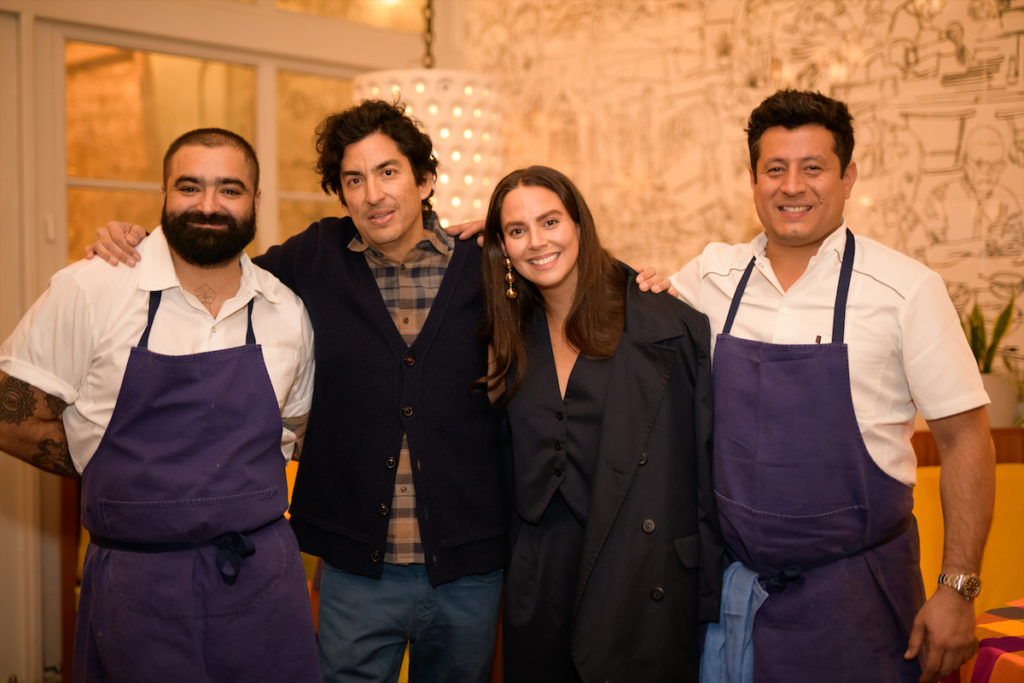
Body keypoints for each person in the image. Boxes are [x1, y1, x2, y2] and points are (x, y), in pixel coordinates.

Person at [86, 100, 509, 683]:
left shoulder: (490, 268)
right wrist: (139, 237)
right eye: (353, 180)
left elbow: (572, 281)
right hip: (353, 569)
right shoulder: (314, 257)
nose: (372, 195)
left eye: (388, 172)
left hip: (471, 568)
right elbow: (213, 260)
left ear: (426, 179)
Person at [668, 90, 996, 682]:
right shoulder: (707, 278)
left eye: (813, 167)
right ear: (752, 179)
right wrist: (516, 240)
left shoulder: (906, 289)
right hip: (732, 593)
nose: (793, 185)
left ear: (848, 177)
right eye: (776, 169)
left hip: (859, 598)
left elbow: (967, 440)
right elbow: (602, 307)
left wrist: (957, 589)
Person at [0, 128, 320, 681]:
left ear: (256, 203)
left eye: (230, 189)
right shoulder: (92, 288)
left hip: (263, 582)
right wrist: (109, 469)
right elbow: (10, 416)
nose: (209, 205)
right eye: (190, 187)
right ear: (164, 194)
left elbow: (293, 427)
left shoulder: (285, 310)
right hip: (136, 585)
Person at [481, 165, 724, 682]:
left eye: (550, 222)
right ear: (502, 246)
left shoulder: (666, 324)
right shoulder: (506, 331)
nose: (536, 242)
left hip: (638, 577)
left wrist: (707, 593)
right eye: (517, 230)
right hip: (540, 585)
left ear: (579, 225)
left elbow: (701, 467)